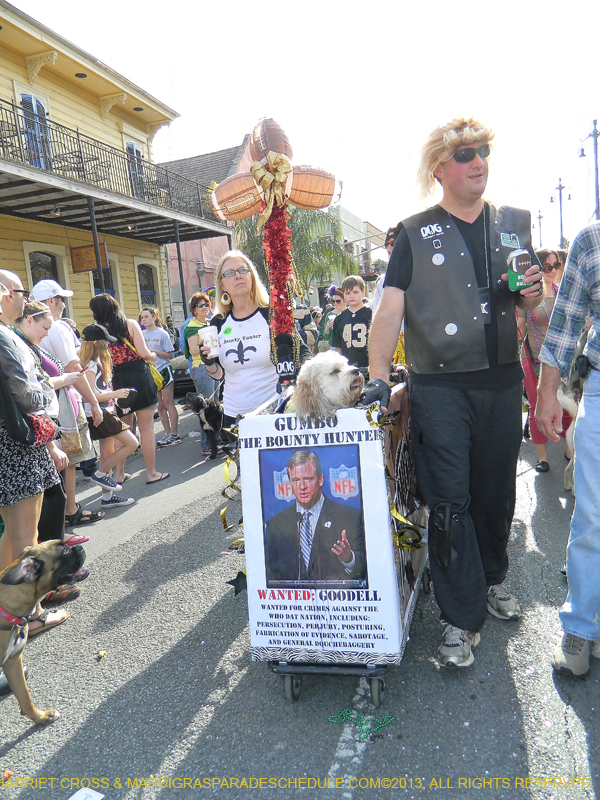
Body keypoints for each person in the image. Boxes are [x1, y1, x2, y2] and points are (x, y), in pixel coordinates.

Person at [365, 117, 543, 668]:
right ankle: (458, 618)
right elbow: (390, 308)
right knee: (448, 502)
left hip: (502, 380)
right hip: (438, 386)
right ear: (440, 168)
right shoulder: (415, 231)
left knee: (495, 496)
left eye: (484, 151)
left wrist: (534, 296)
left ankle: (491, 580)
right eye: (466, 154)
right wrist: (378, 377)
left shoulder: (513, 223)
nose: (479, 162)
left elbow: (532, 303)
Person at [536, 224, 600, 677]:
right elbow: (564, 322)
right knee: (593, 514)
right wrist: (545, 395)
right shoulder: (591, 240)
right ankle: (580, 625)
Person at [0, 277, 70, 637]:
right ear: (7, 295)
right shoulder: (3, 336)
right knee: (25, 536)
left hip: (10, 442)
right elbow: (28, 393)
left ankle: (10, 610)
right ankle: (31, 612)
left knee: (12, 534)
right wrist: (46, 391)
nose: (24, 299)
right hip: (16, 443)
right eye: (21, 293)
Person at [200, 251, 310, 428]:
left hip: (275, 412)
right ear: (221, 284)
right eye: (229, 273)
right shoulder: (217, 323)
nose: (237, 276)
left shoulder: (272, 314)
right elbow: (219, 374)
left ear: (252, 276)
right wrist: (209, 362)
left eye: (243, 270)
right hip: (233, 415)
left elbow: (302, 351)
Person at [12, 300, 89, 548]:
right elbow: (30, 395)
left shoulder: (26, 344)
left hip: (44, 423)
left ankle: (54, 545)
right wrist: (64, 378)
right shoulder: (17, 345)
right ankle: (51, 551)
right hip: (37, 427)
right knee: (50, 495)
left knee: (52, 492)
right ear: (29, 320)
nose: (47, 334)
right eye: (45, 327)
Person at [30, 279, 105, 529]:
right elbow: (73, 368)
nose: (63, 304)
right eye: (61, 299)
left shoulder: (28, 330)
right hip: (61, 401)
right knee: (69, 459)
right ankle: (69, 510)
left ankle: (61, 514)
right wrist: (93, 401)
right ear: (51, 301)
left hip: (47, 402)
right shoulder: (59, 328)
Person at [89, 294, 168, 485]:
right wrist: (151, 356)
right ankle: (151, 473)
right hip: (139, 376)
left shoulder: (99, 331)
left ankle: (119, 474)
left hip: (116, 380)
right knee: (147, 428)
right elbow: (143, 353)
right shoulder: (130, 324)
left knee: (124, 429)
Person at [264, 451, 366, 584]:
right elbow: (271, 574)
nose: (302, 487)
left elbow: (368, 569)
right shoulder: (276, 523)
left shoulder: (349, 517)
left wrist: (349, 559)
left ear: (321, 479)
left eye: (307, 479)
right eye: (296, 480)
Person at [518, 249, 572, 472]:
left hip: (561, 362)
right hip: (533, 360)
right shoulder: (528, 296)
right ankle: (542, 458)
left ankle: (569, 450)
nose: (552, 271)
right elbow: (519, 327)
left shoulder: (563, 293)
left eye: (556, 266)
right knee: (535, 407)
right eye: (546, 267)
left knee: (567, 408)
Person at [79, 324, 137, 507]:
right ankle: (100, 474)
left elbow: (100, 390)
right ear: (96, 344)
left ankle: (107, 497)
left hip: (106, 410)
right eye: (106, 343)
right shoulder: (91, 366)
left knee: (107, 452)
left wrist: (117, 401)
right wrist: (116, 394)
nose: (110, 346)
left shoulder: (96, 364)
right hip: (100, 413)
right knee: (132, 443)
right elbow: (88, 396)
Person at [184, 292, 219, 456]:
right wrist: (207, 345)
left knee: (215, 406)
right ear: (194, 309)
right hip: (201, 367)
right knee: (204, 409)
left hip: (212, 365)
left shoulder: (207, 323)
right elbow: (192, 350)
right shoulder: (192, 326)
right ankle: (206, 445)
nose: (205, 308)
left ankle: (216, 441)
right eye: (201, 305)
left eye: (206, 305)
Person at [140, 307, 179, 447]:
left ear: (154, 318)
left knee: (169, 404)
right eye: (142, 317)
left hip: (163, 370)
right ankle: (167, 434)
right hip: (150, 373)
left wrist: (154, 351)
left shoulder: (163, 334)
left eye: (146, 317)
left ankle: (175, 435)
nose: (143, 319)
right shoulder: (141, 334)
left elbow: (170, 355)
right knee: (160, 406)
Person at [332, 275, 372, 369]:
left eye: (355, 292)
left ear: (363, 292)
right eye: (348, 293)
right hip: (347, 368)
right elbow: (338, 347)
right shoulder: (339, 319)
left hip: (368, 366)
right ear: (344, 296)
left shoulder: (371, 314)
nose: (352, 296)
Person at [319, 287, 345, 352]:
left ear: (344, 300)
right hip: (334, 347)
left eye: (338, 301)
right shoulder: (330, 315)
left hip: (347, 346)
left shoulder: (348, 313)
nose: (335, 303)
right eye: (333, 301)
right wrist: (327, 327)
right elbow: (326, 337)